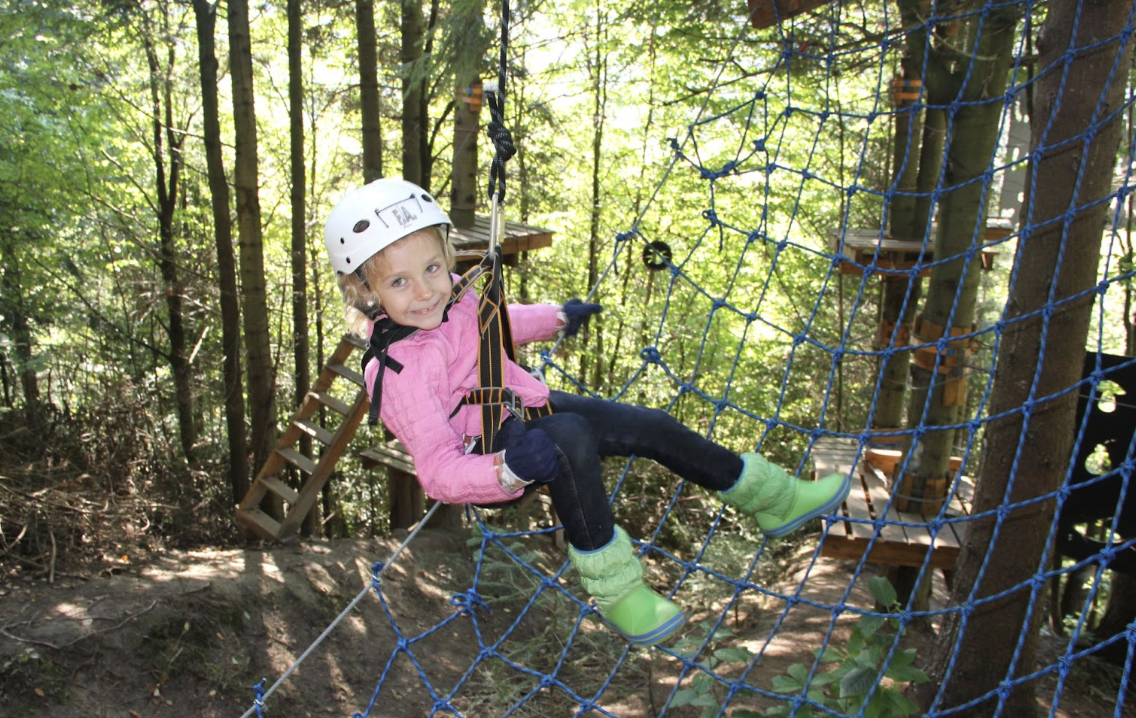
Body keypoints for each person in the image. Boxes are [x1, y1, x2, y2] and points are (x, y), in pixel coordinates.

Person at [323, 178, 850, 647]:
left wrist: (554, 318)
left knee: (650, 426)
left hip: (520, 409)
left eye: (433, 268)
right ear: (365, 291)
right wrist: (507, 469)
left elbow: (492, 322)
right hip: (491, 458)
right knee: (571, 435)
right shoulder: (398, 372)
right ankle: (620, 594)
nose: (425, 291)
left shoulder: (454, 299)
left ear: (446, 256)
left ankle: (773, 499)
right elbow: (437, 472)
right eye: (399, 282)